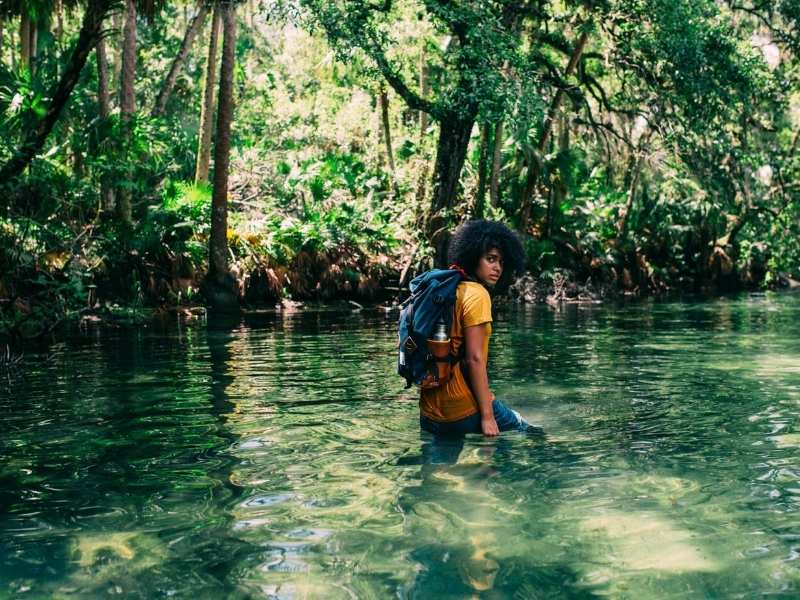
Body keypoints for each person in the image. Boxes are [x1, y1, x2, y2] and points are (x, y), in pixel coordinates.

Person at [419, 219, 531, 438]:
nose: (497, 267)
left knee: (436, 467)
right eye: (490, 259)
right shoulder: (477, 295)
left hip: (430, 413)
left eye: (501, 261)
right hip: (462, 410)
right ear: (472, 258)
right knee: (530, 433)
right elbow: (474, 360)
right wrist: (488, 416)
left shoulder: (446, 290)